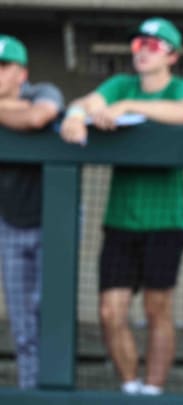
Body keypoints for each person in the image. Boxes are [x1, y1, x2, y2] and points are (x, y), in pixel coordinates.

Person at [59, 17, 183, 395]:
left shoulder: (180, 87)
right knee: (110, 312)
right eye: (139, 45)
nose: (143, 51)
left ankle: (152, 391)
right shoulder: (120, 83)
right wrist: (75, 114)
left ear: (172, 55)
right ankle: (130, 386)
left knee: (157, 310)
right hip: (121, 221)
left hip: (166, 221)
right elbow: (88, 102)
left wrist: (126, 107)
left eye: (154, 46)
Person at [0, 34, 64, 389]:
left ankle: (53, 392)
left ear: (21, 73)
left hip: (52, 223)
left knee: (51, 315)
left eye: (3, 66)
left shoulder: (42, 91)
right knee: (22, 323)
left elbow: (41, 116)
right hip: (9, 223)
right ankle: (30, 393)